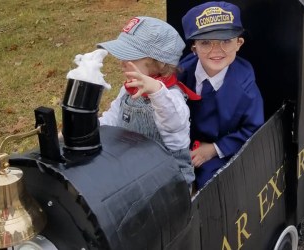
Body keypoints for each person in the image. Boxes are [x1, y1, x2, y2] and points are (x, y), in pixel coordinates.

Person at [97, 16, 200, 187]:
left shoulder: (172, 96)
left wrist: (156, 91)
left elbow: (173, 124)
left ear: (158, 63)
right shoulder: (128, 90)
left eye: (129, 57)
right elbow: (112, 118)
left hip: (169, 180)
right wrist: (86, 129)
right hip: (135, 169)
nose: (121, 63)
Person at [178, 2, 264, 189]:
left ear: (238, 43)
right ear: (194, 48)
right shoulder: (181, 74)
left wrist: (214, 150)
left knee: (212, 185)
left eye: (225, 41)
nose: (216, 51)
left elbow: (252, 129)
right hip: (181, 143)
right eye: (206, 42)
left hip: (220, 149)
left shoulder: (245, 87)